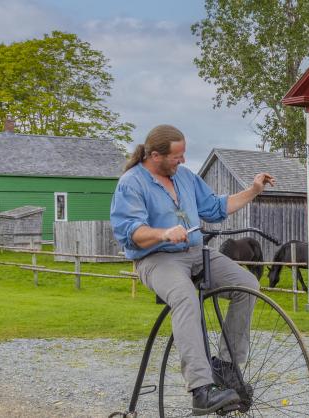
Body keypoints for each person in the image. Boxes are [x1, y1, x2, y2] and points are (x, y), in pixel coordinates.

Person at [109, 125, 275, 415]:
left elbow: (215, 207)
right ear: (156, 155)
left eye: (184, 155)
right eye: (177, 156)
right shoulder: (132, 183)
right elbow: (131, 232)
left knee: (246, 284)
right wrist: (162, 233)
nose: (183, 161)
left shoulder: (185, 177)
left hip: (197, 252)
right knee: (185, 296)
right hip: (157, 259)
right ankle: (201, 389)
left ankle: (225, 368)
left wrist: (253, 191)